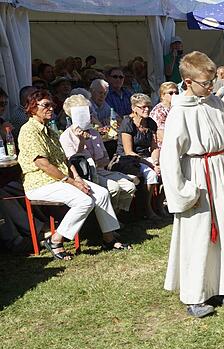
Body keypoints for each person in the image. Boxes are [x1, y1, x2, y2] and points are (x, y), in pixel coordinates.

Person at [160, 51, 224, 318]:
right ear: (188, 82)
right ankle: (195, 295)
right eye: (206, 82)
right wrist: (183, 191)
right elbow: (169, 157)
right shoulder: (179, 112)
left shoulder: (217, 104)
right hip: (198, 175)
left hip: (220, 172)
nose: (211, 86)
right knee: (199, 234)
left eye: (213, 80)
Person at [17, 90, 128, 260]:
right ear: (32, 108)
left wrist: (77, 178)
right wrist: (71, 181)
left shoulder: (51, 132)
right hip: (40, 183)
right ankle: (55, 240)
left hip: (60, 180)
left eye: (52, 105)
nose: (51, 109)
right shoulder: (29, 131)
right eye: (46, 105)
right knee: (84, 200)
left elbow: (66, 161)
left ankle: (109, 238)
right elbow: (42, 164)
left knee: (102, 193)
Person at [59, 95, 136, 213]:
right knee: (114, 188)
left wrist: (96, 163)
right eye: (85, 113)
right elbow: (75, 163)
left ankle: (118, 213)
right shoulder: (66, 136)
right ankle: (109, 217)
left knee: (130, 186)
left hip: (100, 170)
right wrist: (81, 141)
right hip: (86, 175)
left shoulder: (95, 133)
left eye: (90, 112)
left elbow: (106, 159)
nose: (90, 116)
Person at [117, 93, 161, 219]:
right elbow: (128, 151)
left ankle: (158, 204)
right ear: (134, 108)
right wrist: (151, 165)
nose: (147, 109)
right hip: (129, 159)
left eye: (149, 107)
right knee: (151, 174)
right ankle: (147, 208)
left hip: (145, 157)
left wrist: (156, 162)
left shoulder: (151, 123)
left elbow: (154, 147)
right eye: (143, 107)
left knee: (167, 170)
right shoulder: (127, 123)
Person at [150, 82, 178, 147]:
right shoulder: (159, 110)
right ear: (162, 95)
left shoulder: (175, 108)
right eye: (171, 93)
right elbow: (161, 134)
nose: (175, 95)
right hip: (163, 146)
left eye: (176, 93)